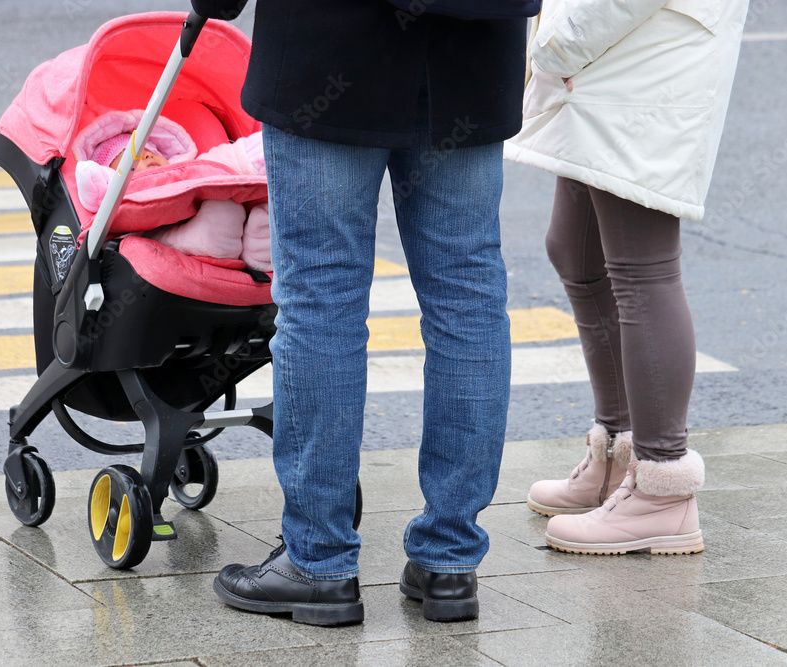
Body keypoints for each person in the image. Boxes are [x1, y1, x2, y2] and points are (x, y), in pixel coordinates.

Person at [203, 0, 532, 626]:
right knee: (467, 296)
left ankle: (319, 562)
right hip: (471, 47)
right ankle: (450, 560)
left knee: (322, 299)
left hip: (332, 44)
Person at [506, 0, 749, 554]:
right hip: (616, 63)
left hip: (646, 66)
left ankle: (662, 489)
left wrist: (555, 43)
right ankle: (618, 457)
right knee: (576, 252)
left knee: (643, 271)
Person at [73, 109, 271, 270]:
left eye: (151, 152)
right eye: (134, 160)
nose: (148, 157)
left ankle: (259, 249)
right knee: (157, 239)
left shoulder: (186, 170)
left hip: (203, 202)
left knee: (220, 179)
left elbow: (218, 163)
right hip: (153, 231)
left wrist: (253, 152)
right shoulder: (123, 196)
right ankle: (210, 239)